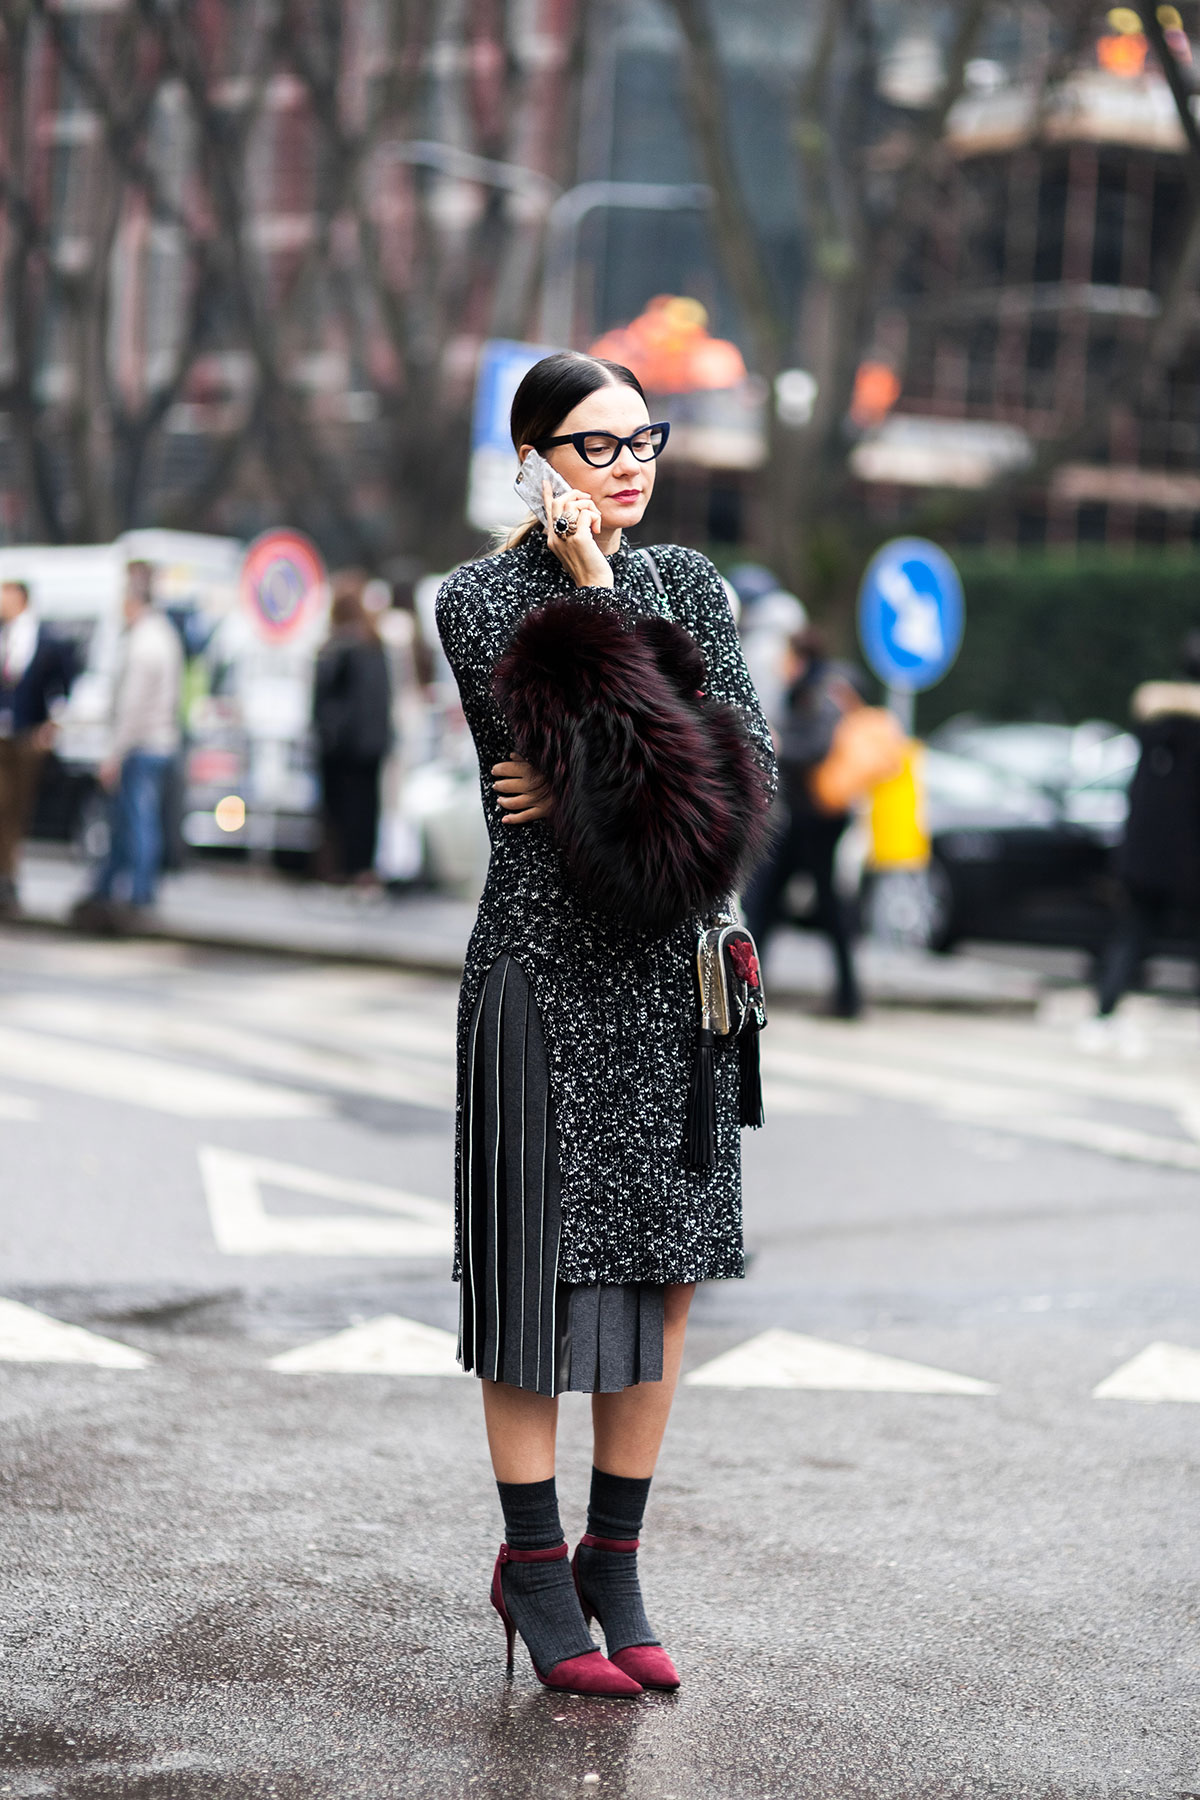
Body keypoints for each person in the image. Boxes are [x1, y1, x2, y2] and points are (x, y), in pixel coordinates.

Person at [435, 351, 775, 1697]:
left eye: (647, 437)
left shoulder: (689, 582)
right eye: (598, 445)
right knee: (536, 1278)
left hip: (676, 986)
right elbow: (637, 819)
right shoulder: (477, 602)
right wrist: (595, 625)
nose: (632, 462)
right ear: (533, 463)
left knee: (667, 1266)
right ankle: (532, 1563)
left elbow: (720, 805)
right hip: (542, 975)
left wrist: (603, 607)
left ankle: (612, 1560)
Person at [743, 627, 864, 1018]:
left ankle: (847, 996)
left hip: (819, 819)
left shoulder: (821, 692)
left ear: (800, 658)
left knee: (812, 905)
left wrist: (779, 746)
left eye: (788, 658)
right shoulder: (809, 690)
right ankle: (751, 987)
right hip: (803, 817)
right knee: (768, 901)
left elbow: (817, 746)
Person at [1087, 631, 1200, 1038]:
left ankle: (1104, 1012)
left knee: (1131, 936)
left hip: (1144, 859)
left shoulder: (1153, 725)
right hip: (1187, 860)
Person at [71, 562, 182, 930]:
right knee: (129, 822)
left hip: (141, 744)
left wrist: (113, 753)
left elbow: (131, 707)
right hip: (156, 742)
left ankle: (138, 895)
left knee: (136, 822)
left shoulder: (144, 643)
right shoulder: (162, 635)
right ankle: (106, 890)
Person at [0, 579, 76, 918]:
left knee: (15, 811)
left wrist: (52, 727)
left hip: (25, 736)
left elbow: (65, 686)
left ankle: (7, 879)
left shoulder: (46, 639)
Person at [312, 575, 393, 889]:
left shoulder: (338, 646)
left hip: (342, 746)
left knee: (340, 809)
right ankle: (363, 868)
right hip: (372, 744)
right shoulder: (374, 642)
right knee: (367, 808)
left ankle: (341, 868)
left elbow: (326, 698)